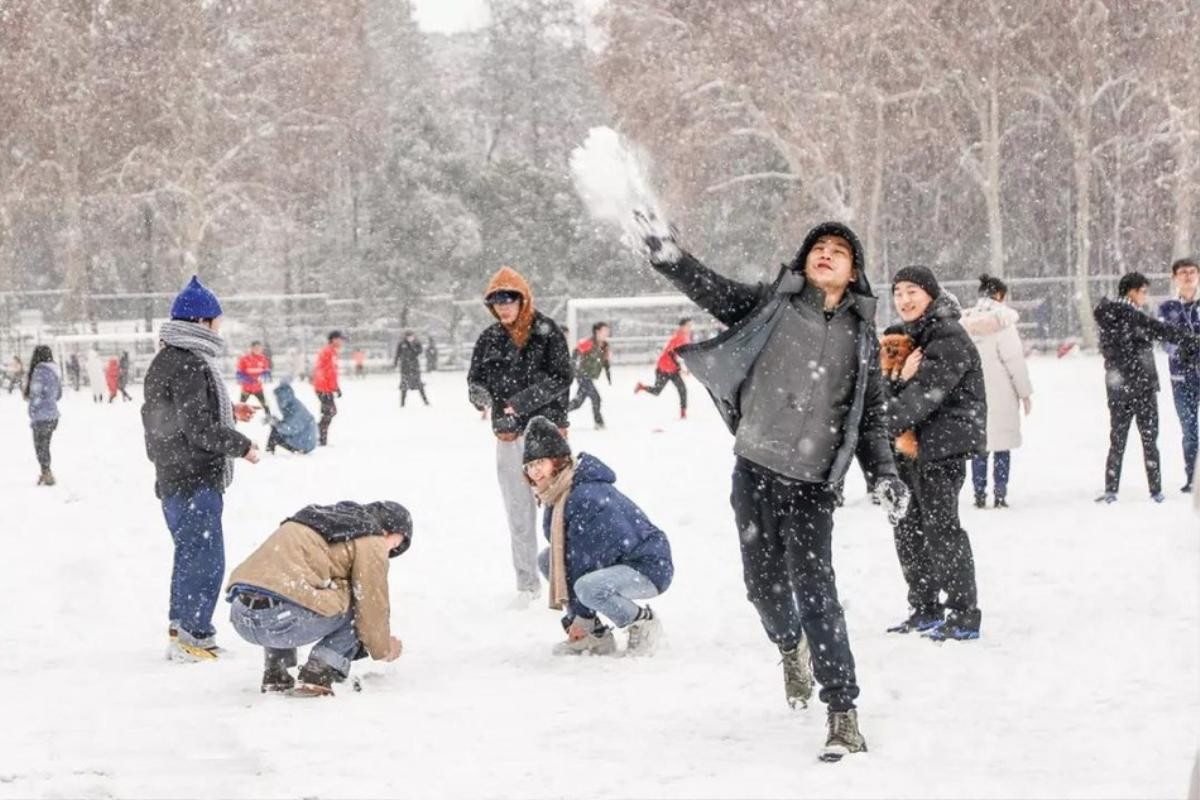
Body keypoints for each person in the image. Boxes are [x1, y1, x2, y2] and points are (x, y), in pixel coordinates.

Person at [637, 217, 909, 762]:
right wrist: (671, 256)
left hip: (812, 486)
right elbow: (711, 288)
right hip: (755, 470)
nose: (826, 254)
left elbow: (871, 417)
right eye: (818, 248)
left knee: (818, 595)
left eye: (839, 251)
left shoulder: (862, 336)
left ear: (854, 272)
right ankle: (790, 648)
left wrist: (883, 474)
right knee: (763, 589)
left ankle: (843, 713)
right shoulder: (771, 306)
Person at [141, 275, 260, 662]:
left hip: (173, 475)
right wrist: (240, 445)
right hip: (194, 477)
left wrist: (232, 414)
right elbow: (197, 428)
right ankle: (193, 637)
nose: (219, 328)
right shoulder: (191, 363)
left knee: (189, 554)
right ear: (202, 323)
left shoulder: (166, 360)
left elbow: (176, 418)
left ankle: (182, 629)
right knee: (206, 559)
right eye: (216, 321)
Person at [885, 267, 987, 642]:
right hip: (908, 449)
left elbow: (925, 395)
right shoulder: (901, 337)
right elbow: (883, 389)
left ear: (930, 294)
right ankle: (925, 606)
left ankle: (963, 611)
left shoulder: (947, 335)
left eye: (912, 291)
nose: (905, 299)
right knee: (907, 528)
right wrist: (897, 380)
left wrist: (881, 423)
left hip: (941, 448)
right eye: (898, 293)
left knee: (940, 528)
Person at [225, 500, 410, 696]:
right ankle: (320, 670)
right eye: (395, 543)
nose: (390, 551)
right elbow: (371, 603)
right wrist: (383, 647)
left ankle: (277, 673)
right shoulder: (371, 537)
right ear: (385, 531)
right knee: (357, 602)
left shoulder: (319, 520)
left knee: (286, 587)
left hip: (241, 615)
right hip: (283, 620)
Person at [467, 266, 573, 607]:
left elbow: (562, 376)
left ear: (523, 299)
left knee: (560, 506)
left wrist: (521, 402)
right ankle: (527, 584)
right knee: (518, 510)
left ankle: (565, 580)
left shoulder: (547, 332)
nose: (504, 307)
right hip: (508, 435)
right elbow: (475, 380)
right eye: (497, 302)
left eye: (509, 299)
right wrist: (480, 396)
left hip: (547, 432)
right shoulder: (489, 339)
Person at [521, 417, 672, 656]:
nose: (535, 471)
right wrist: (579, 618)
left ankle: (643, 623)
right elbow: (570, 556)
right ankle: (596, 636)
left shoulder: (584, 497)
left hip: (647, 566)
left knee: (588, 587)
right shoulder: (558, 491)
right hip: (617, 562)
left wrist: (579, 619)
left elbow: (585, 561)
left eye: (540, 461)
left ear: (557, 460)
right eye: (529, 465)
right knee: (548, 559)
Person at [1094, 272, 1200, 503]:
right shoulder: (1131, 315)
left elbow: (1111, 351)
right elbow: (1163, 331)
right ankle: (1155, 490)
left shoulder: (1108, 316)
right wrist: (1191, 341)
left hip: (1118, 387)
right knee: (1150, 439)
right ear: (1131, 292)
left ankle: (1111, 489)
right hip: (1142, 386)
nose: (1145, 296)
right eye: (1143, 291)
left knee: (1117, 439)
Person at [961, 274, 1033, 508]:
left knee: (979, 445)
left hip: (973, 390)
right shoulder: (1003, 322)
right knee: (1001, 444)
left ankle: (979, 493)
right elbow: (1014, 360)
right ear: (1000, 295)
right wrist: (1024, 393)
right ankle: (1000, 493)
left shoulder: (966, 321)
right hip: (1001, 391)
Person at [1159, 258, 1200, 493]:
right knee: (1190, 432)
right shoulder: (1168, 308)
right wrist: (1180, 349)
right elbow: (1165, 341)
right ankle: (1193, 477)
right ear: (1174, 277)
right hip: (1181, 379)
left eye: (1192, 272)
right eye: (1182, 272)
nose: (1187, 276)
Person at [634, 318, 692, 419]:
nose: (690, 328)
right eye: (688, 325)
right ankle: (641, 387)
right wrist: (681, 368)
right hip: (663, 368)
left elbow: (684, 354)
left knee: (682, 389)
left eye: (691, 325)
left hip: (672, 369)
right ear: (682, 327)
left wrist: (683, 367)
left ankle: (683, 413)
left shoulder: (685, 337)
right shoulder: (677, 338)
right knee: (657, 391)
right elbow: (671, 354)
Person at [25, 345, 62, 486]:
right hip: (53, 416)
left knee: (40, 447)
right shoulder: (55, 371)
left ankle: (47, 473)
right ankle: (45, 471)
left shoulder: (39, 372)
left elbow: (36, 395)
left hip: (41, 417)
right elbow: (58, 395)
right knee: (45, 446)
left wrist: (32, 410)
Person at [569, 322, 612, 429]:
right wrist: (573, 367)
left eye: (607, 331)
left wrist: (608, 374)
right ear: (597, 332)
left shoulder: (605, 345)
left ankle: (556, 413)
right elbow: (576, 351)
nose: (607, 332)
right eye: (604, 330)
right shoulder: (589, 343)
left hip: (588, 377)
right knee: (596, 398)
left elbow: (605, 361)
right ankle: (599, 422)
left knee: (578, 403)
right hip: (582, 375)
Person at [264, 382, 317, 455]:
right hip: (304, 439)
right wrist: (275, 421)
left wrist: (276, 423)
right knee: (276, 430)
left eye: (279, 398)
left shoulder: (295, 409)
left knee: (275, 432)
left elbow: (290, 428)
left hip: (304, 443)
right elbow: (289, 424)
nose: (277, 401)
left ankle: (268, 453)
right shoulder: (291, 404)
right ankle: (269, 452)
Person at [312, 331, 344, 446]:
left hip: (327, 388)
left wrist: (336, 387)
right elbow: (322, 370)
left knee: (328, 412)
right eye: (340, 339)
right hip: (323, 388)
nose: (341, 342)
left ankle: (320, 435)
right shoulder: (327, 352)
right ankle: (318, 434)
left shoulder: (333, 352)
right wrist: (326, 387)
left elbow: (332, 373)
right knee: (330, 411)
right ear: (334, 339)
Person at [236, 341, 272, 414]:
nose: (257, 350)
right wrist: (248, 379)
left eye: (259, 348)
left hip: (258, 388)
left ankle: (269, 417)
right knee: (240, 405)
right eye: (255, 348)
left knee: (265, 404)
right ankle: (235, 418)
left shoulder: (263, 359)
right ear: (251, 348)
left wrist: (263, 377)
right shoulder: (244, 359)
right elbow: (239, 374)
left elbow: (267, 372)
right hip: (246, 388)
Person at [393, 331, 428, 407]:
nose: (410, 338)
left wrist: (412, 347)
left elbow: (419, 351)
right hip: (405, 367)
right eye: (408, 336)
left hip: (414, 367)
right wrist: (395, 363)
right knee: (404, 386)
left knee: (419, 385)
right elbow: (397, 354)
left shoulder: (416, 343)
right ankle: (402, 403)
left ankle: (426, 401)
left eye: (411, 336)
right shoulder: (402, 344)